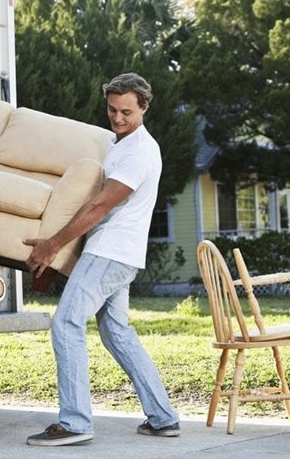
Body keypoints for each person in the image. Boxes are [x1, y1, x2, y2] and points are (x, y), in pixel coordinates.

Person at [24, 73, 180, 446]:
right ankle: (163, 417)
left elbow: (99, 206)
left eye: (126, 111)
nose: (118, 117)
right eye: (112, 109)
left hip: (110, 251)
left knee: (66, 322)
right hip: (117, 253)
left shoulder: (140, 151)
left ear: (144, 107)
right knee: (117, 333)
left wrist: (53, 245)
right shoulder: (119, 143)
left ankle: (76, 422)